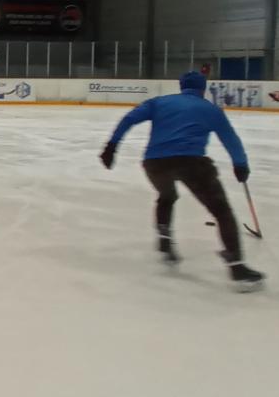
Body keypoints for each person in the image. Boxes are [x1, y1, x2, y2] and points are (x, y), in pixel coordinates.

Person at [100, 71, 264, 292]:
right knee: (221, 211)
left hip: (155, 163)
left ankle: (164, 240)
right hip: (191, 163)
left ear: (181, 86)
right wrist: (240, 164)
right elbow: (230, 139)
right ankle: (237, 268)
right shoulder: (210, 109)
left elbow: (129, 118)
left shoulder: (159, 102)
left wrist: (111, 147)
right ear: (203, 88)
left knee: (167, 196)